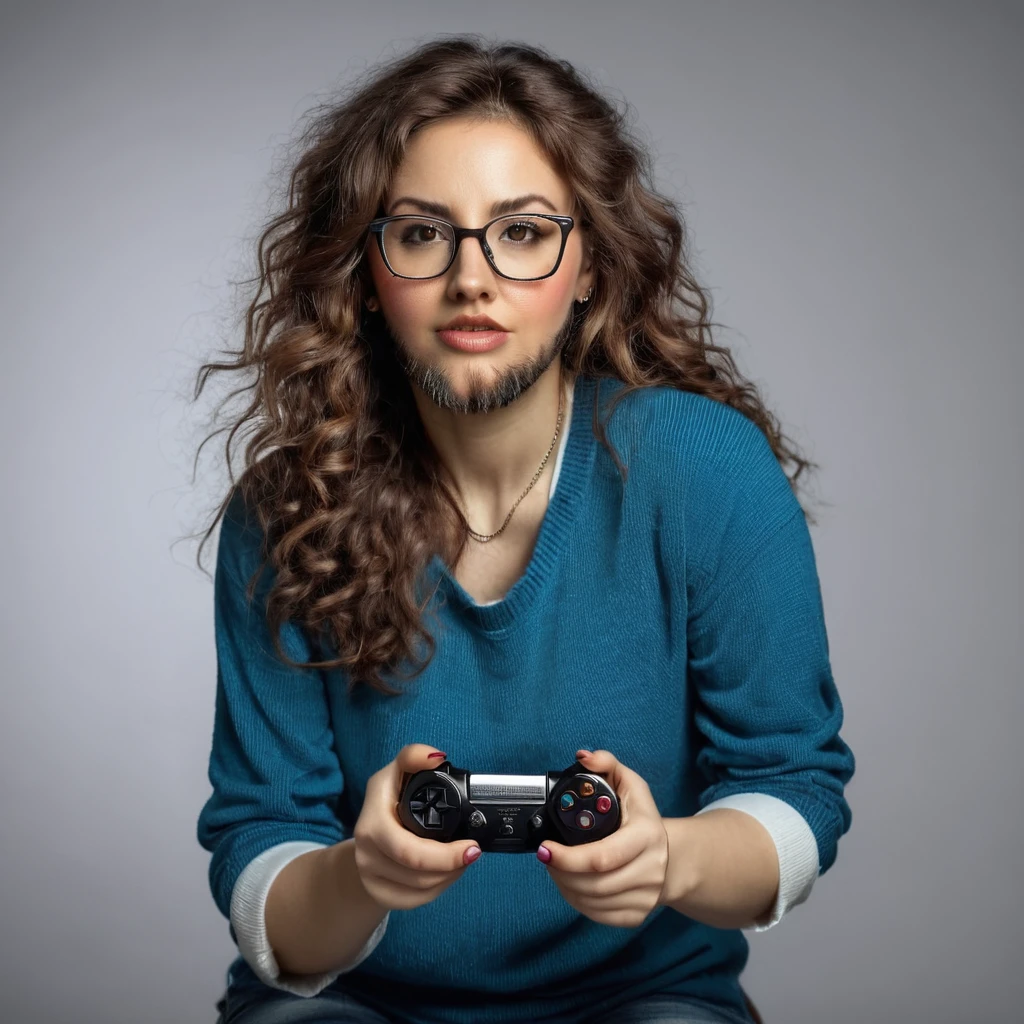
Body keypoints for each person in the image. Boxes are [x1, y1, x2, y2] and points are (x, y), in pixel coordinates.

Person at [193, 34, 855, 1024]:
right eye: (421, 232)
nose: (472, 277)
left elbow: (793, 788)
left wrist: (665, 857)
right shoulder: (289, 508)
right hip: (357, 1002)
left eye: (521, 230)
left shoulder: (702, 468)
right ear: (368, 273)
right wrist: (362, 872)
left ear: (586, 261)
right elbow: (269, 879)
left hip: (641, 995)